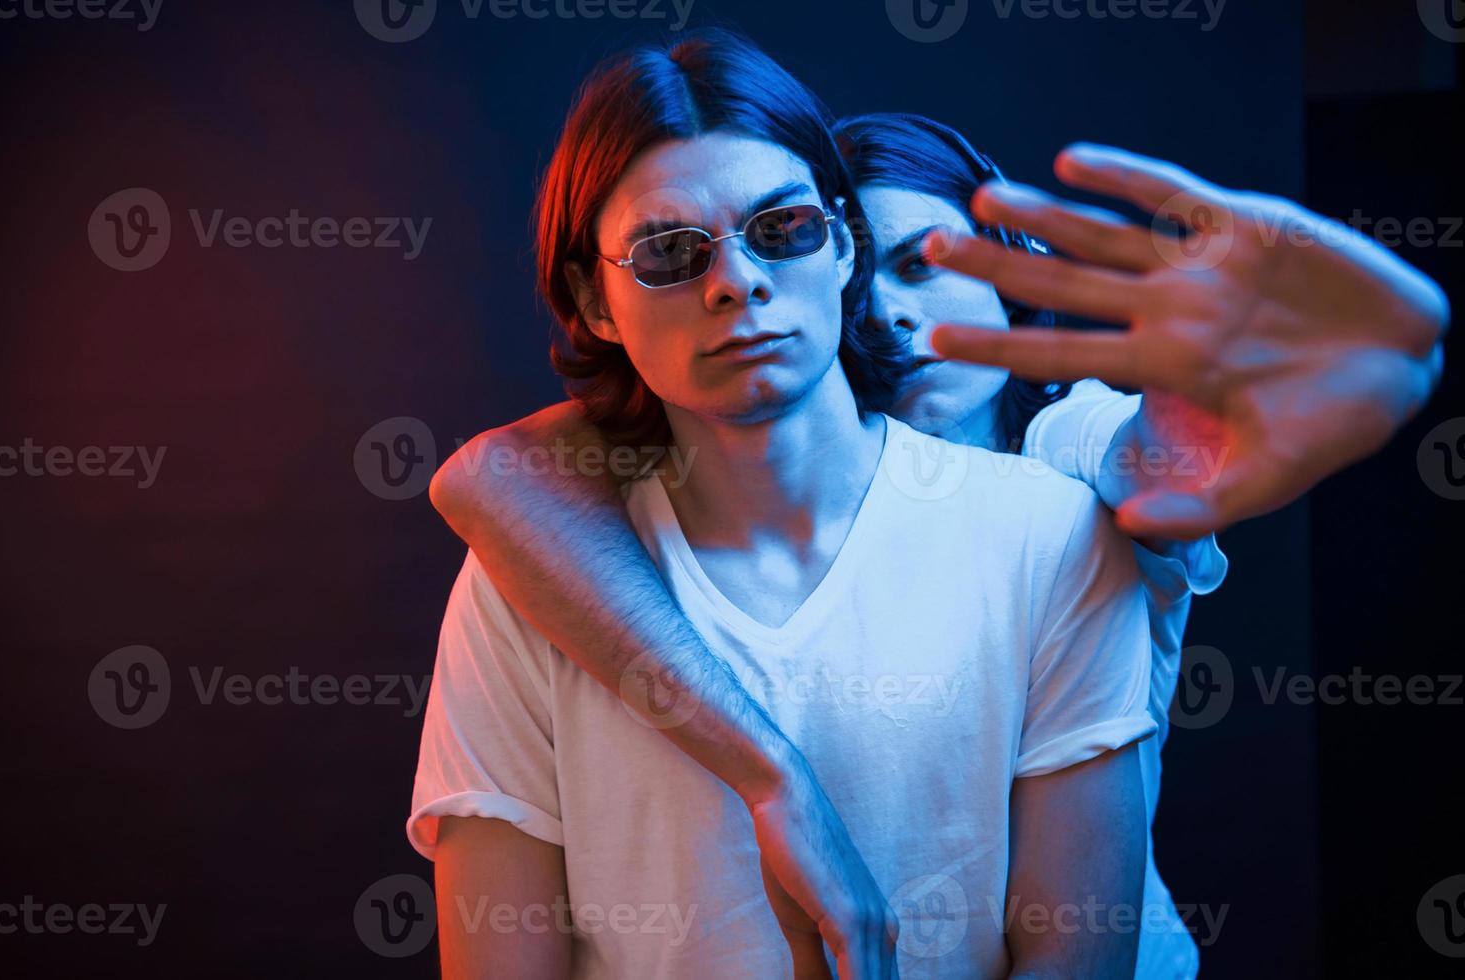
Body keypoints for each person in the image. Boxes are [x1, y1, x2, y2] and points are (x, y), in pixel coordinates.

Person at [410, 30, 1159, 979]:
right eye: (670, 253)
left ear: (843, 243)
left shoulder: (1046, 537)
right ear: (592, 302)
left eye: (782, 230)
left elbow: (1077, 958)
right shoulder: (515, 589)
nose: (737, 282)